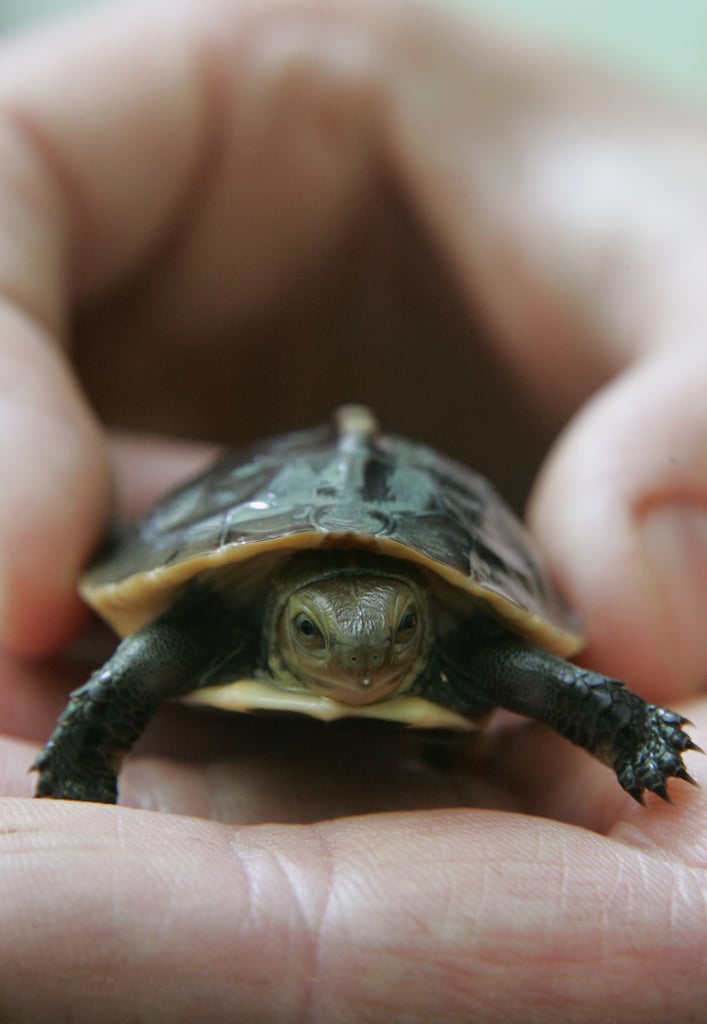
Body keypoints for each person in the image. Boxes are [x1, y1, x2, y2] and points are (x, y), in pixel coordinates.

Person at [0, 0, 704, 1019]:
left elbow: (546, 677)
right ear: (285, 620)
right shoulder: (210, 616)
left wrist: (631, 730)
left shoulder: (463, 649)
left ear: (422, 623)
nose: (361, 653)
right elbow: (132, 668)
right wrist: (89, 749)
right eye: (319, 632)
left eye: (397, 630)